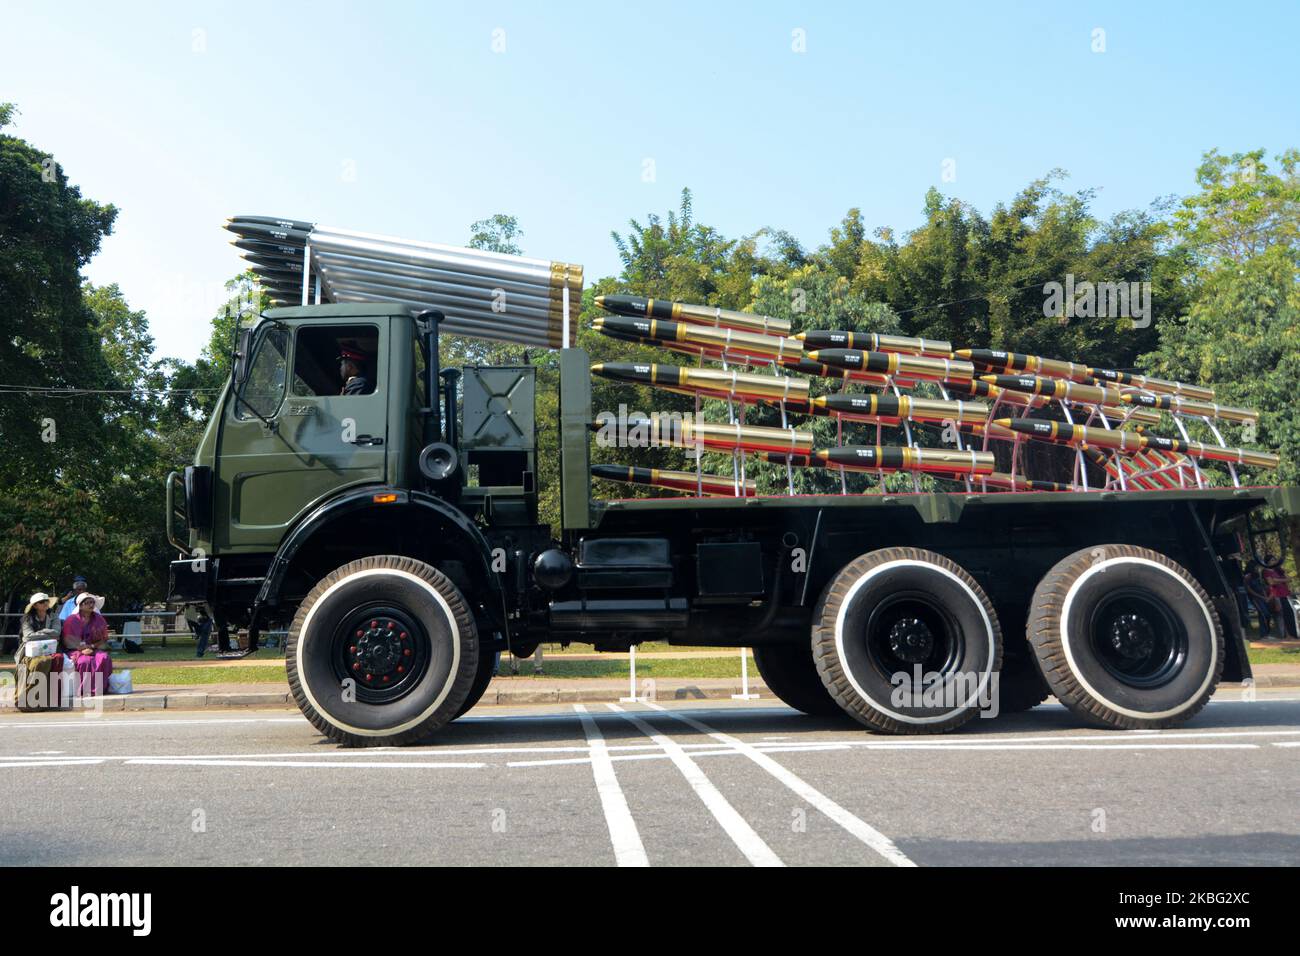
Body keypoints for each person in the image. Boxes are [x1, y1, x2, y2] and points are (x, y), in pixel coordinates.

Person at [61, 593, 112, 697]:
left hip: (94, 647)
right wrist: (82, 650)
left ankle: (101, 688)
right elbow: (68, 641)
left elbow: (103, 639)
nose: (91, 605)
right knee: (85, 661)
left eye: (92, 602)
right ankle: (85, 690)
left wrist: (92, 647)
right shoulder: (71, 620)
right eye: (87, 602)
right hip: (75, 649)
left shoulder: (99, 619)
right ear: (80, 605)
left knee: (104, 658)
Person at [18, 592, 61, 663]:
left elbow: (56, 633)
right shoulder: (26, 619)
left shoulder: (54, 616)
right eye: (41, 602)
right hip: (31, 651)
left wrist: (39, 633)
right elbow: (28, 637)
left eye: (47, 601)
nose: (45, 603)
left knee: (59, 658)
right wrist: (49, 633)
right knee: (39, 662)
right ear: (34, 606)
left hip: (52, 649)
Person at [1261, 559, 1297, 639]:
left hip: (1285, 593)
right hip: (1276, 594)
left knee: (1289, 613)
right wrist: (1282, 580)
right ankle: (1284, 634)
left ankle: (1292, 633)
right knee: (1281, 614)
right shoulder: (1266, 571)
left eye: (1274, 560)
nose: (1274, 562)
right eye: (1272, 560)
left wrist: (1278, 579)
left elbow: (1289, 578)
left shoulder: (1278, 570)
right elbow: (1271, 582)